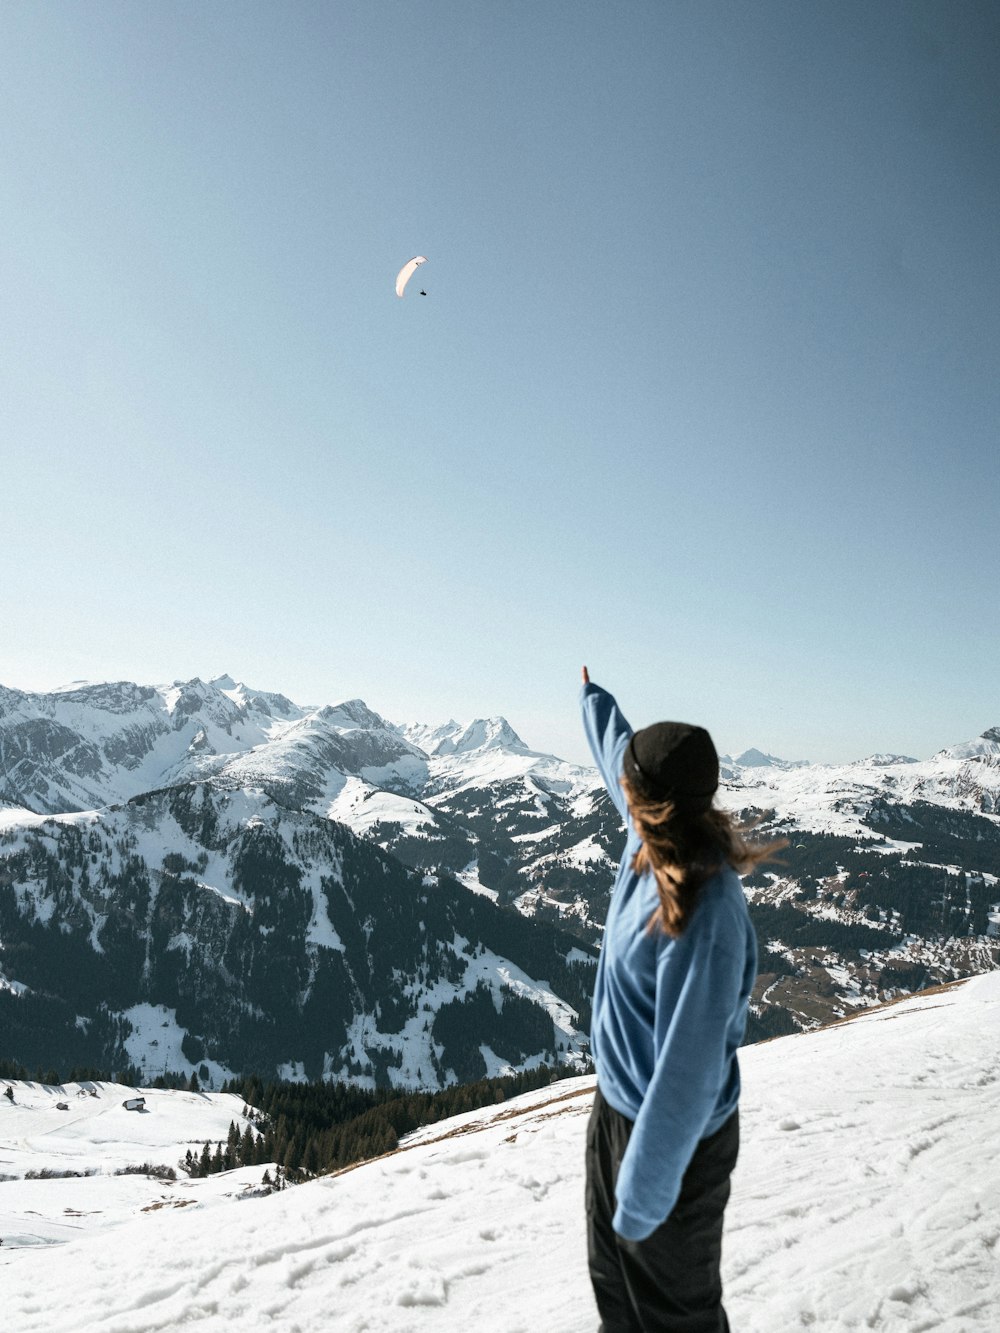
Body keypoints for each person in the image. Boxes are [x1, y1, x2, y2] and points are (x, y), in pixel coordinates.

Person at [580, 666, 775, 1333]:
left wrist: (641, 1193)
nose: (621, 790)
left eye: (631, 789)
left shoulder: (706, 912)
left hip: (674, 1144)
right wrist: (593, 699)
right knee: (616, 1289)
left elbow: (687, 1077)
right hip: (618, 1112)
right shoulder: (652, 834)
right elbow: (618, 755)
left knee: (674, 1316)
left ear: (651, 803)